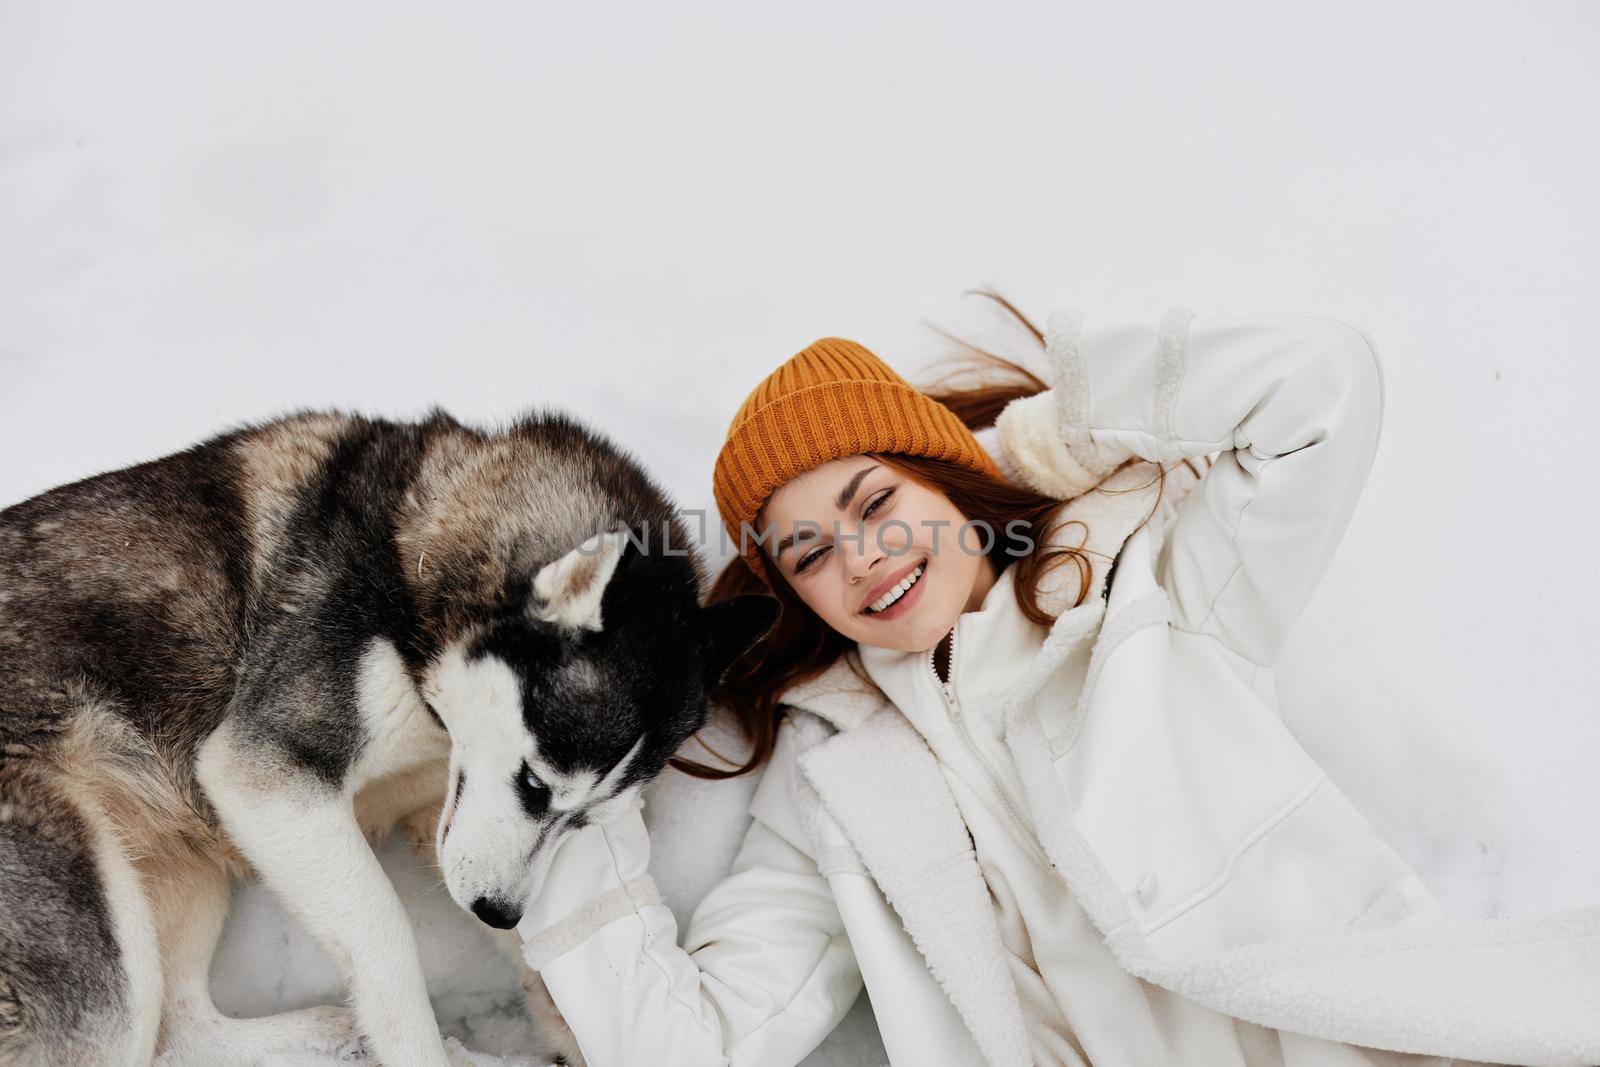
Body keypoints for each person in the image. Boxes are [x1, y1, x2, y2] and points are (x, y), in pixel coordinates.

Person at [514, 296, 1600, 1067]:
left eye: (875, 501)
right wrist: (569, 779)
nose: (861, 558)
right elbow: (691, 1048)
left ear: (946, 479)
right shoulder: (834, 785)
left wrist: (1038, 448)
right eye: (805, 554)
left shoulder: (1150, 598)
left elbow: (1319, 380)